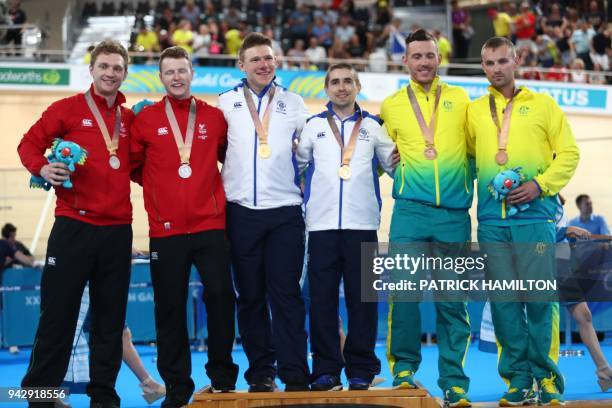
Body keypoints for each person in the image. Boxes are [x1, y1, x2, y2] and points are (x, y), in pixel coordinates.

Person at [17, 39, 134, 407]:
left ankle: (104, 398)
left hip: (117, 232)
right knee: (58, 318)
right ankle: (40, 398)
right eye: (104, 66)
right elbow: (28, 144)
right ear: (92, 69)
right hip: (74, 227)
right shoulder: (65, 109)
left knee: (109, 323)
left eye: (117, 68)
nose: (111, 73)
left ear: (125, 72)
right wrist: (42, 167)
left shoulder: (130, 120)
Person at [466, 36, 579, 406]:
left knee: (539, 300)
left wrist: (540, 185)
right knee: (504, 304)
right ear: (483, 67)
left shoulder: (544, 105)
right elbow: (464, 157)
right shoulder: (474, 111)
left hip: (535, 219)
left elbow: (570, 154)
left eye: (502, 61)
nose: (496, 69)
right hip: (492, 222)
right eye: (489, 63)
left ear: (517, 60)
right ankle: (518, 378)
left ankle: (546, 378)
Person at [130, 46, 239, 405]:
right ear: (161, 78)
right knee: (170, 309)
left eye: (182, 70)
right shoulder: (144, 121)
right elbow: (132, 166)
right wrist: (163, 191)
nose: (176, 77)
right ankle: (177, 387)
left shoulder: (214, 117)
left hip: (211, 226)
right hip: (166, 231)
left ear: (192, 73)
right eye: (170, 72)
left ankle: (222, 377)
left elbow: (234, 160)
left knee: (222, 298)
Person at [380, 29, 473, 407]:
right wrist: (392, 168)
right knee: (404, 295)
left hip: (453, 214)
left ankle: (455, 382)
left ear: (439, 58)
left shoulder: (461, 98)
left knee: (454, 302)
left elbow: (476, 147)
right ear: (405, 61)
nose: (423, 62)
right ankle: (404, 370)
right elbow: (381, 152)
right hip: (410, 213)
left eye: (429, 56)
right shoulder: (390, 105)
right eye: (416, 56)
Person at [217, 32, 310, 392]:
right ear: (241, 65)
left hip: (286, 213)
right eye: (255, 59)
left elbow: (314, 145)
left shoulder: (294, 102)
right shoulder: (225, 103)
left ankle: (295, 373)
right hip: (241, 213)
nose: (263, 64)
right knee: (251, 297)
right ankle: (261, 373)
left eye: (268, 58)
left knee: (286, 295)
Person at [296, 63, 395, 391]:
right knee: (322, 301)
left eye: (348, 81)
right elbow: (295, 166)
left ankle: (361, 369)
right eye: (335, 82)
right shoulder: (312, 127)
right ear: (326, 88)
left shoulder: (374, 127)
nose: (342, 87)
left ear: (358, 86)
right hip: (321, 228)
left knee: (363, 301)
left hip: (363, 226)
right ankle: (325, 369)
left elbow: (394, 167)